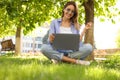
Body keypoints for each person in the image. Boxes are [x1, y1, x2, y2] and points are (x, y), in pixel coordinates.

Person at [41, 1, 93, 65]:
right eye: (68, 10)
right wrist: (51, 39)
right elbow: (50, 41)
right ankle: (75, 61)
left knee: (89, 47)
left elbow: (77, 42)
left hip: (71, 52)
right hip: (57, 50)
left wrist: (84, 29)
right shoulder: (54, 22)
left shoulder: (75, 25)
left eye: (72, 11)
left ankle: (60, 59)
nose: (70, 12)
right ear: (64, 9)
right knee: (44, 48)